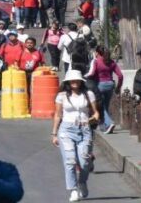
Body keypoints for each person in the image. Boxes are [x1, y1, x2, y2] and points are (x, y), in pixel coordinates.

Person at [50, 70, 100, 201]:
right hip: (66, 130)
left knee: (85, 161)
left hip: (84, 129)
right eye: (72, 80)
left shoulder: (88, 94)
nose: (74, 82)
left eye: (77, 80)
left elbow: (96, 114)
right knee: (70, 161)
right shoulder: (61, 96)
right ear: (67, 82)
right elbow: (58, 115)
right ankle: (72, 190)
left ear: (81, 81)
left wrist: (89, 120)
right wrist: (54, 133)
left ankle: (82, 182)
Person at [86, 47, 122, 134]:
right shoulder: (112, 62)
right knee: (105, 105)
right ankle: (104, 126)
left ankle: (109, 123)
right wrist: (118, 87)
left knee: (101, 106)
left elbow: (92, 73)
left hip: (100, 85)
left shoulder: (96, 61)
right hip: (110, 85)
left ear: (98, 53)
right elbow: (120, 75)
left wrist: (84, 77)